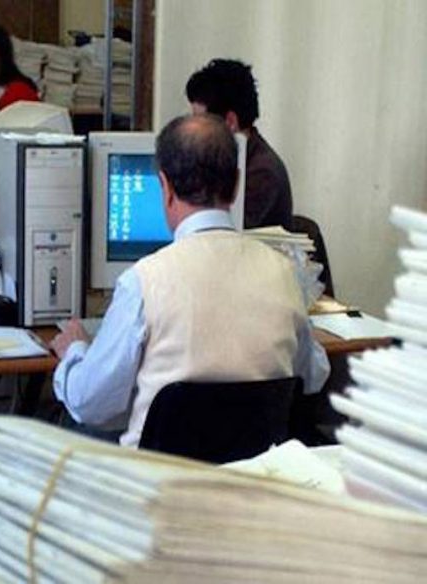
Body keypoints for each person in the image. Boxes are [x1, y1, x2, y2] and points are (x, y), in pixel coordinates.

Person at [49, 114, 329, 448]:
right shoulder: (283, 273)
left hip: (157, 478)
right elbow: (313, 375)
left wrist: (76, 349)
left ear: (165, 188)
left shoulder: (144, 282)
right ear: (237, 184)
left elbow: (88, 403)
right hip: (250, 475)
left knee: (68, 423)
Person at [186, 59, 293, 229]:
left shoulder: (262, 172)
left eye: (200, 121)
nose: (194, 129)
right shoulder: (227, 159)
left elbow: (222, 230)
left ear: (230, 122)